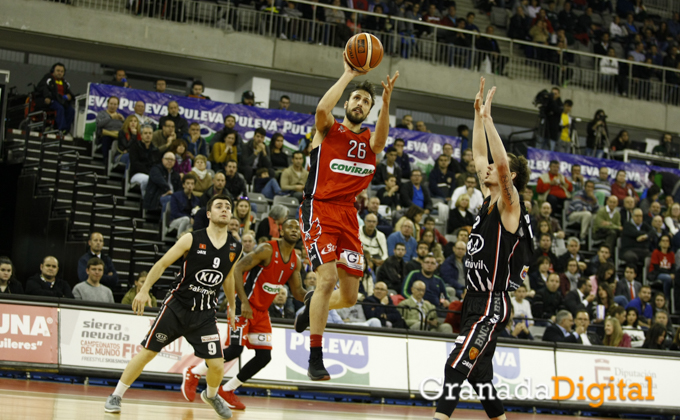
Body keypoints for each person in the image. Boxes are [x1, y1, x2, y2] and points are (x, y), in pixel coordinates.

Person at [434, 78, 533, 420]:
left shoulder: (509, 205)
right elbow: (479, 154)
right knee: (480, 376)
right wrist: (477, 114)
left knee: (456, 363)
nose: (487, 166)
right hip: (473, 300)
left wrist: (490, 120)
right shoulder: (488, 200)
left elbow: (500, 163)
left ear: (512, 179)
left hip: (493, 301)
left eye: (496, 167)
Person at [292, 59, 398, 379]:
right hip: (319, 208)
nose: (361, 103)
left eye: (367, 101)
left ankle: (311, 306)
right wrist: (349, 75)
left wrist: (386, 102)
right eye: (357, 98)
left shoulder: (369, 141)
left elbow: (380, 142)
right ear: (348, 103)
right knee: (327, 280)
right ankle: (315, 356)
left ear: (368, 111)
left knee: (350, 296)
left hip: (349, 214)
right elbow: (322, 110)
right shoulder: (328, 129)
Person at [104, 195, 241, 417]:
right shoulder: (191, 239)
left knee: (216, 365)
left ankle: (211, 395)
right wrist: (144, 289)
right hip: (177, 307)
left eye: (228, 206)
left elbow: (228, 277)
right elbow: (162, 263)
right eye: (219, 206)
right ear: (208, 214)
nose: (224, 209)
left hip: (205, 315)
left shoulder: (236, 246)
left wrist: (232, 306)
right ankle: (116, 395)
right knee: (148, 352)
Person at [181, 219, 306, 409]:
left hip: (262, 312)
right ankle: (194, 372)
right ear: (281, 231)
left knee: (264, 356)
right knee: (234, 350)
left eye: (297, 228)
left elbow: (298, 292)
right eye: (290, 226)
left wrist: (318, 296)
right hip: (243, 305)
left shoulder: (296, 261)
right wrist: (244, 302)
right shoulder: (267, 249)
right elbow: (238, 268)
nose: (294, 230)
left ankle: (228, 389)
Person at [36, 63, 75, 133]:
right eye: (58, 71)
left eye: (62, 71)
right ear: (53, 71)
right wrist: (47, 96)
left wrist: (70, 96)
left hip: (62, 101)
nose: (60, 73)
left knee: (71, 110)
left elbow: (69, 92)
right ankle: (61, 128)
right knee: (60, 108)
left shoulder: (64, 82)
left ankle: (66, 130)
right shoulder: (48, 78)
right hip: (52, 100)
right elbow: (42, 88)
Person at [129, 125, 160, 197]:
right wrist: (149, 173)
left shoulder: (156, 150)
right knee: (147, 180)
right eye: (145, 133)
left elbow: (157, 165)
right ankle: (146, 202)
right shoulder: (135, 147)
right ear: (141, 135)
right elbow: (135, 163)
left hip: (152, 175)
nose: (148, 135)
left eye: (150, 133)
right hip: (137, 174)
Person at [169, 174, 199, 239]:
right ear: (183, 185)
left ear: (194, 186)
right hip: (175, 221)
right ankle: (179, 241)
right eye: (188, 183)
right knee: (186, 219)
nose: (190, 186)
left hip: (188, 223)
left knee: (191, 225)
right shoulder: (175, 196)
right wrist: (189, 217)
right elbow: (174, 213)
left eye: (192, 184)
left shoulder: (196, 200)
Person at [96, 96, 124, 163]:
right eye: (111, 104)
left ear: (117, 106)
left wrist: (123, 121)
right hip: (105, 135)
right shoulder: (102, 114)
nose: (112, 106)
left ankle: (118, 159)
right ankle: (106, 160)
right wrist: (110, 117)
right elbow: (99, 124)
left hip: (117, 135)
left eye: (115, 104)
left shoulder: (119, 116)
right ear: (108, 104)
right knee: (107, 139)